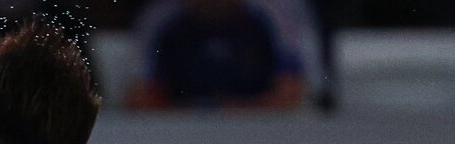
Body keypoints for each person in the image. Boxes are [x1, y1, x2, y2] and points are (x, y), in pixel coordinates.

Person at [125, 0, 316, 109]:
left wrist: (227, 110)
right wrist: (200, 112)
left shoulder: (273, 14)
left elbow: (291, 94)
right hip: (180, 132)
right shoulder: (160, 18)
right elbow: (139, 98)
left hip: (261, 131)